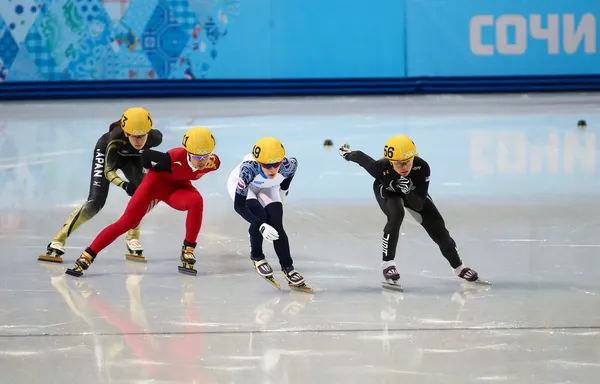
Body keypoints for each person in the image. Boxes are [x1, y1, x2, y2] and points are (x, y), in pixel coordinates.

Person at [338, 136, 490, 291]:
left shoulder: (422, 167)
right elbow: (359, 157)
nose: (404, 167)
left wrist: (409, 190)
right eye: (398, 164)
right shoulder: (379, 167)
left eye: (407, 162)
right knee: (396, 214)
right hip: (388, 192)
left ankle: (459, 267)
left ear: (414, 158)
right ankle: (388, 264)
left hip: (415, 194)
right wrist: (346, 153)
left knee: (438, 228)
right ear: (390, 162)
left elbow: (419, 204)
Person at [65, 127, 220, 277]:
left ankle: (188, 249)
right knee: (126, 223)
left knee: (196, 201)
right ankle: (88, 255)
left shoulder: (213, 163)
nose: (202, 161)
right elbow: (145, 154)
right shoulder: (172, 158)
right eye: (198, 157)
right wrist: (146, 171)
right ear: (188, 152)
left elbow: (190, 172)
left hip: (177, 189)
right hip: (153, 186)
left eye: (206, 156)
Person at [39, 107, 162, 264]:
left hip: (131, 158)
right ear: (126, 133)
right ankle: (59, 239)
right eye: (134, 136)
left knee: (143, 194)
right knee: (96, 202)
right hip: (107, 153)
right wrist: (124, 185)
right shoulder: (115, 138)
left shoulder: (155, 138)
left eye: (142, 136)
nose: (139, 141)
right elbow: (109, 171)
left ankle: (133, 236)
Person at [227, 137, 312, 293]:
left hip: (269, 187)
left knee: (277, 224)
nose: (273, 169)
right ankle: (257, 256)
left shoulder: (289, 166)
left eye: (276, 165)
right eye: (267, 165)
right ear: (259, 163)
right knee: (259, 215)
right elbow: (239, 206)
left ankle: (288, 267)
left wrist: (282, 200)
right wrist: (260, 225)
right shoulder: (248, 170)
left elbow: (284, 186)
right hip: (247, 187)